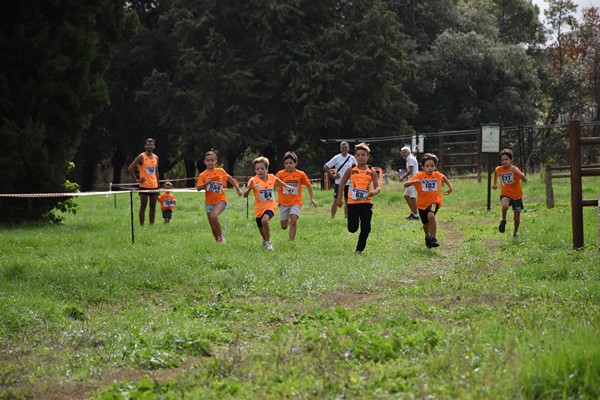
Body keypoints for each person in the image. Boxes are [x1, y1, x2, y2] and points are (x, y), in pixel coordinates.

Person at [337, 142, 380, 254]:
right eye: (358, 155)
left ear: (368, 156)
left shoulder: (371, 171)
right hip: (353, 204)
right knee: (352, 229)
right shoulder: (351, 169)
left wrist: (373, 192)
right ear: (355, 157)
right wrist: (339, 199)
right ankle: (353, 225)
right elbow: (342, 183)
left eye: (363, 155)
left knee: (366, 228)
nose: (360, 157)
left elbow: (377, 187)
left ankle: (359, 249)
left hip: (366, 203)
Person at [404, 153, 452, 248]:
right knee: (425, 225)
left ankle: (433, 238)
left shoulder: (437, 175)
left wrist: (450, 187)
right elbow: (405, 184)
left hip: (435, 201)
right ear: (423, 167)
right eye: (427, 166)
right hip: (422, 204)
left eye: (432, 166)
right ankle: (427, 236)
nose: (430, 168)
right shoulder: (419, 176)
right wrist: (413, 181)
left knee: (431, 216)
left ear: (435, 167)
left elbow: (444, 178)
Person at [243, 156, 291, 251]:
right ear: (255, 170)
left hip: (270, 206)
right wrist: (249, 189)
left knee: (264, 221)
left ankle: (269, 243)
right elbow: (245, 195)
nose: (260, 171)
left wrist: (286, 186)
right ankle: (265, 240)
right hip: (259, 209)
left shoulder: (271, 177)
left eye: (262, 169)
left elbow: (277, 180)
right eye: (257, 169)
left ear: (267, 169)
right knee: (261, 229)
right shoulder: (253, 180)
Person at [196, 151, 243, 244]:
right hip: (209, 202)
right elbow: (198, 188)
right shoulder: (203, 175)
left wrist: (237, 188)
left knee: (214, 216)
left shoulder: (220, 171)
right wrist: (206, 183)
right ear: (204, 162)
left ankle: (221, 237)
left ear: (216, 161)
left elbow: (229, 178)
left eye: (212, 160)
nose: (210, 162)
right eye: (208, 160)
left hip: (220, 200)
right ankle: (218, 241)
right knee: (213, 226)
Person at [275, 151, 318, 241]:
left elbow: (309, 185)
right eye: (286, 163)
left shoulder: (300, 174)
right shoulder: (280, 174)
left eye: (291, 163)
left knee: (294, 221)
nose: (288, 165)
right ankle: (288, 221)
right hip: (283, 202)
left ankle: (291, 242)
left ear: (295, 163)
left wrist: (312, 198)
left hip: (296, 202)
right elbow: (272, 185)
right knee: (283, 226)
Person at [492, 148, 527, 236]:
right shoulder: (499, 169)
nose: (504, 161)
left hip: (517, 196)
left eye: (506, 159)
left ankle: (515, 233)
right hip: (505, 193)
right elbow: (496, 172)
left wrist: (516, 172)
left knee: (516, 218)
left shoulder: (515, 169)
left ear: (511, 160)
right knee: (505, 205)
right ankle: (503, 219)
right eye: (502, 160)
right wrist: (495, 183)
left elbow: (525, 179)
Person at [128, 138, 159, 225]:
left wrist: (158, 184)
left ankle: (151, 225)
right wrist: (136, 180)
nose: (150, 146)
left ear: (154, 146)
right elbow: (130, 168)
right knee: (143, 206)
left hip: (154, 185)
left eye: (151, 144)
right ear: (145, 146)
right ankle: (142, 225)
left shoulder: (156, 157)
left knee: (153, 207)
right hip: (144, 186)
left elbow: (156, 171)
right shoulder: (141, 156)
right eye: (148, 144)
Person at [324, 141, 357, 218]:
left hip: (349, 183)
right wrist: (332, 176)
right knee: (336, 200)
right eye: (343, 147)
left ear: (348, 148)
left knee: (347, 201)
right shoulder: (337, 157)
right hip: (338, 183)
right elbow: (326, 167)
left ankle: (346, 217)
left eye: (345, 147)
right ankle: (332, 217)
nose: (344, 149)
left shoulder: (352, 158)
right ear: (340, 148)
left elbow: (357, 168)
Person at [399, 146, 419, 220]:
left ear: (408, 152)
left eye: (403, 152)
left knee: (412, 197)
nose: (402, 154)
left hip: (413, 180)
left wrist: (403, 177)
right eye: (402, 152)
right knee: (406, 196)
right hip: (411, 180)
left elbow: (410, 171)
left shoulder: (410, 159)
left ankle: (415, 215)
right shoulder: (410, 159)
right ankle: (413, 212)